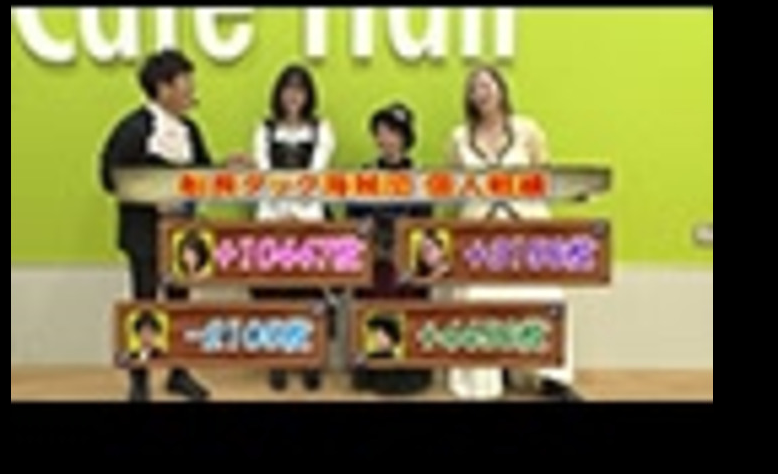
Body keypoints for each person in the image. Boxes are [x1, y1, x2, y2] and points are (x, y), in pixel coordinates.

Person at [98, 49, 251, 402]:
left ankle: (178, 372)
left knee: (180, 305)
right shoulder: (133, 129)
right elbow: (109, 177)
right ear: (163, 87)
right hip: (144, 236)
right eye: (186, 84)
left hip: (184, 238)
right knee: (145, 305)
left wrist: (225, 168)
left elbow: (199, 176)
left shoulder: (190, 130)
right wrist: (152, 195)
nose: (191, 91)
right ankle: (139, 380)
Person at [445, 65, 581, 401]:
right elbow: (451, 188)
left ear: (501, 90)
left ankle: (553, 378)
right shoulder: (458, 137)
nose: (482, 92)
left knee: (547, 299)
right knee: (480, 302)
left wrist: (573, 190)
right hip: (480, 235)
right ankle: (487, 378)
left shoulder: (528, 130)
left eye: (487, 85)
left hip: (527, 228)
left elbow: (546, 176)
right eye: (475, 88)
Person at [249, 64, 336, 392]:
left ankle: (310, 357)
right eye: (288, 88)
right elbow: (264, 175)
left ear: (308, 95)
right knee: (274, 292)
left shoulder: (322, 129)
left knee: (310, 291)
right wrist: (281, 215)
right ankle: (277, 357)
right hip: (271, 216)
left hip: (309, 215)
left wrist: (297, 216)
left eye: (300, 89)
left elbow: (315, 175)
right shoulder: (264, 129)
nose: (294, 95)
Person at [346, 103, 434, 396]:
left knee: (408, 306)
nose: (386, 139)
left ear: (405, 138)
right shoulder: (365, 174)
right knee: (372, 307)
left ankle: (408, 370)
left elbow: (425, 219)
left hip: (406, 257)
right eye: (381, 132)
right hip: (374, 258)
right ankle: (371, 369)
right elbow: (353, 215)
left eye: (393, 133)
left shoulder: (419, 176)